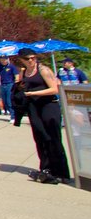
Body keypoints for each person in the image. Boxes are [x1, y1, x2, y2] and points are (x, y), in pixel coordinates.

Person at [16, 48, 70, 184]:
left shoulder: (43, 70)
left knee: (53, 138)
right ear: (21, 60)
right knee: (40, 137)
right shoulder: (24, 72)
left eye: (33, 58)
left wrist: (33, 93)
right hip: (33, 107)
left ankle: (61, 172)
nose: (31, 61)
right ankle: (46, 168)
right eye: (28, 59)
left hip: (48, 105)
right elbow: (21, 87)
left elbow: (55, 88)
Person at [0, 56, 19, 121]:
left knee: (9, 101)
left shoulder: (11, 66)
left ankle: (13, 117)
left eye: (4, 59)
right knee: (5, 101)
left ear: (7, 59)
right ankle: (11, 112)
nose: (3, 61)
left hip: (10, 84)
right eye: (1, 60)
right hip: (2, 85)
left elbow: (16, 75)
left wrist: (16, 83)